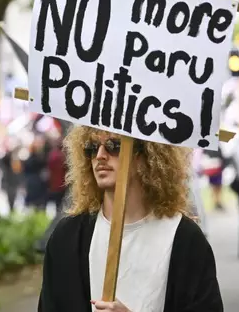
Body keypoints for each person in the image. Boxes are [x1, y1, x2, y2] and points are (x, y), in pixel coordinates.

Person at [39, 126, 222, 312]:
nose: (100, 155)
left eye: (114, 145)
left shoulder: (185, 239)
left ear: (146, 156)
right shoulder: (67, 237)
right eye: (92, 147)